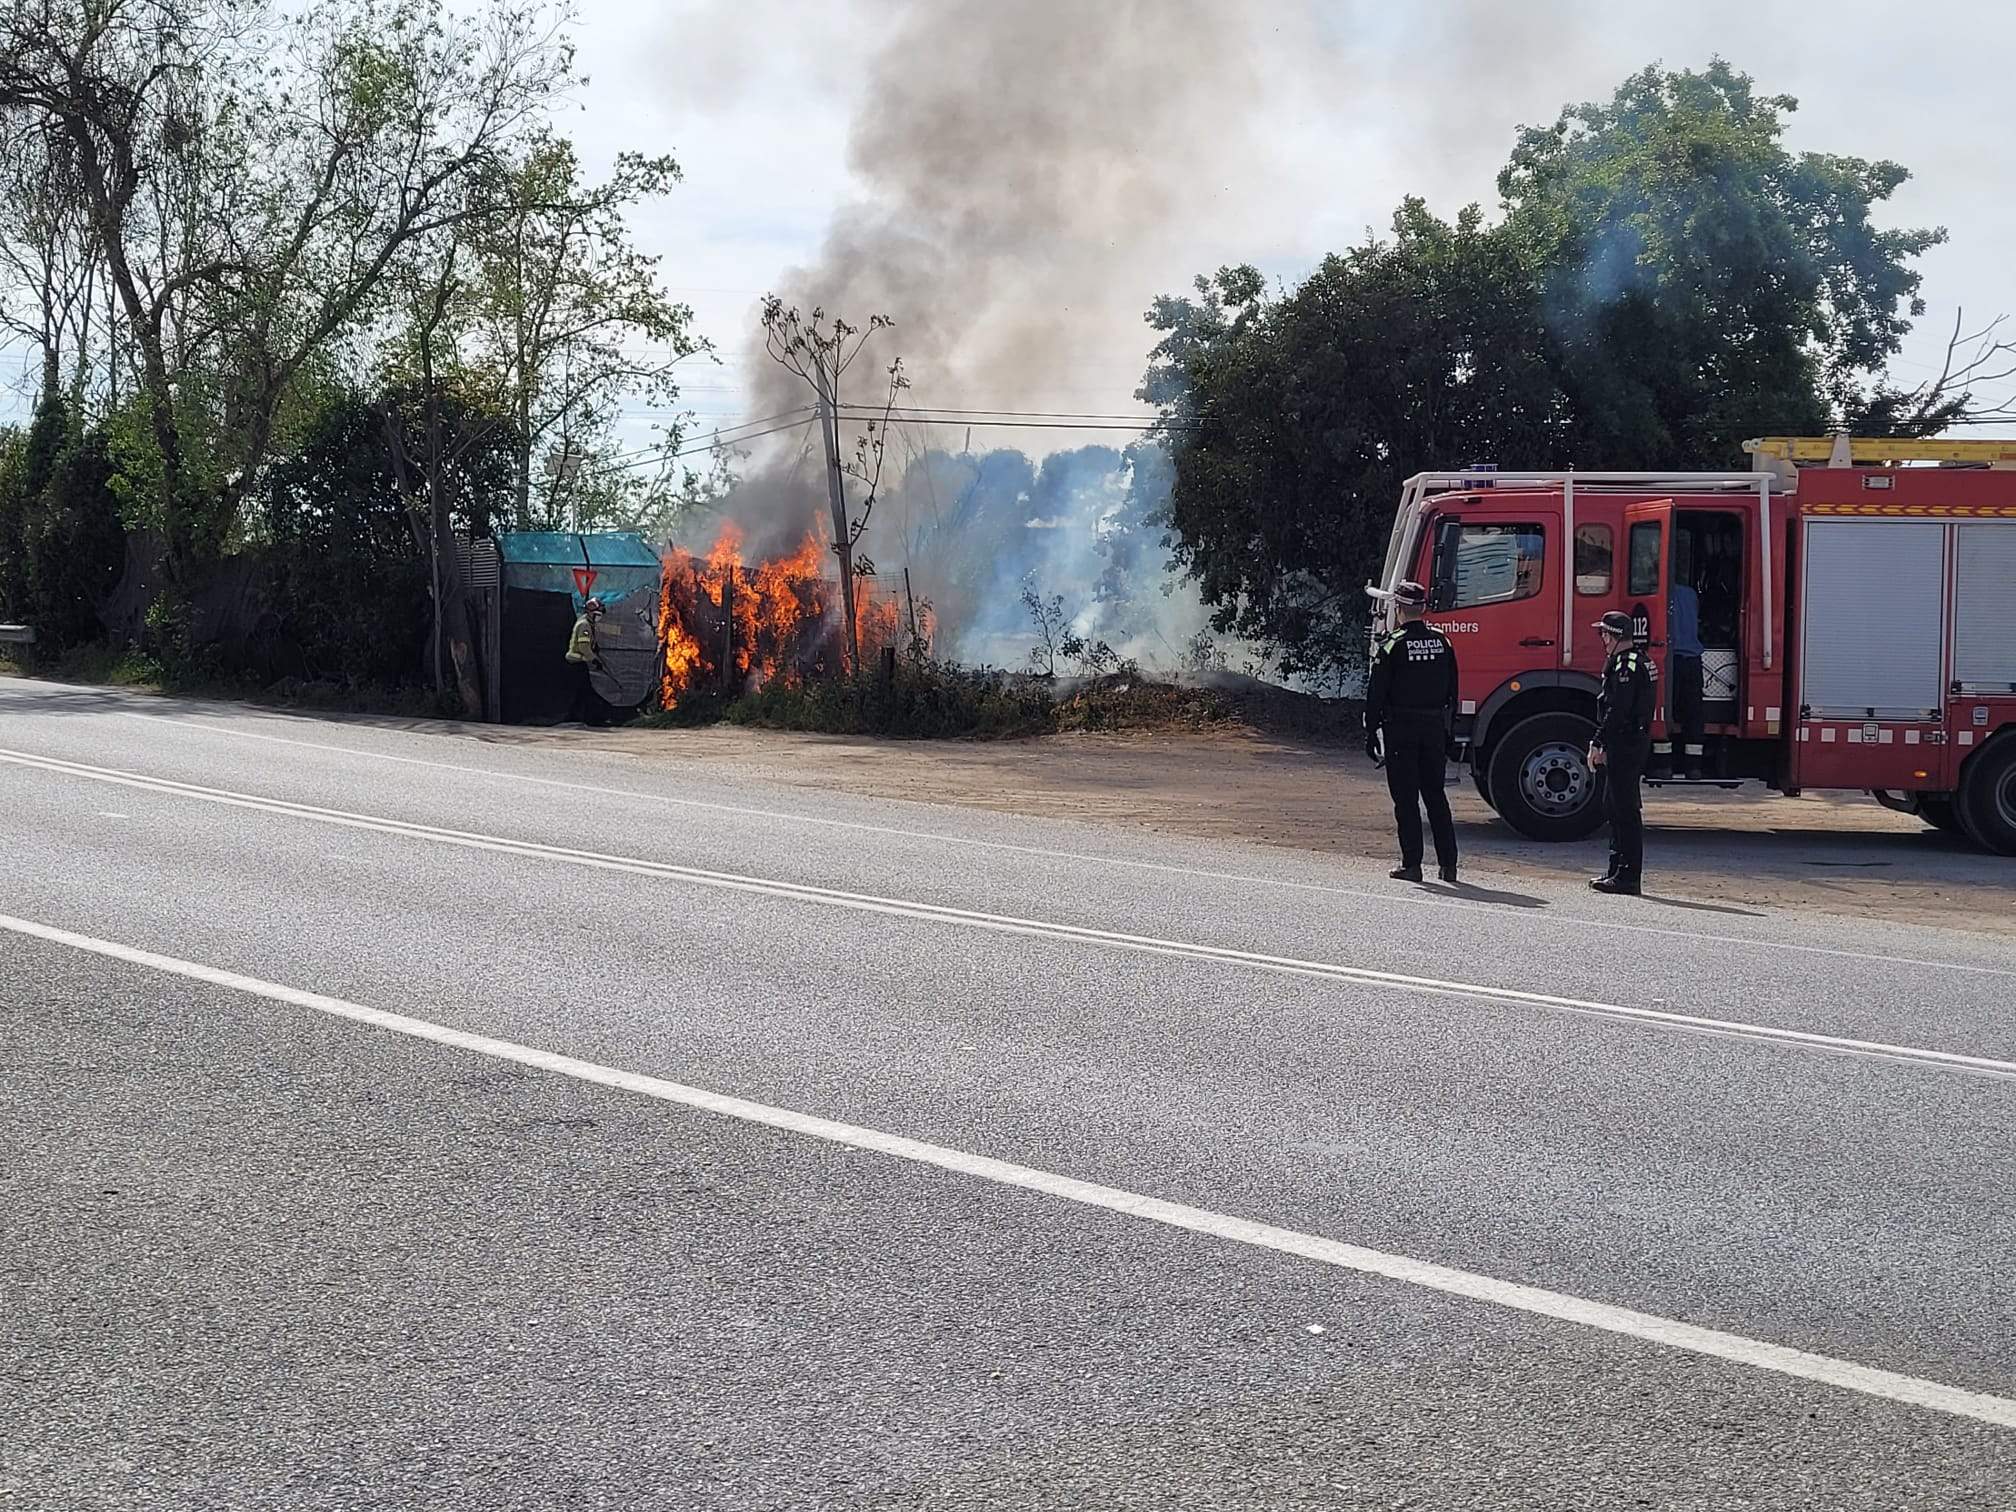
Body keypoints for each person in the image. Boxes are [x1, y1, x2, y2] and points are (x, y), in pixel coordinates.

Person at [1365, 580, 1459, 883]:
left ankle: (1412, 864)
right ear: (1423, 608)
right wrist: (1448, 727)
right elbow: (1453, 689)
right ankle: (1449, 865)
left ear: (1400, 609)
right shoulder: (1443, 642)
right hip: (1433, 727)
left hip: (1402, 729)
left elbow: (1376, 693)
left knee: (1405, 799)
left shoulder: (1393, 644)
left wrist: (1371, 730)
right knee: (1435, 795)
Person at [1589, 609, 1657, 895]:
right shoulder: (1636, 660)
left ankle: (1628, 876)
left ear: (1615, 636)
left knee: (1625, 809)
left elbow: (1618, 711)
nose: (1602, 639)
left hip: (1625, 743)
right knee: (1613, 806)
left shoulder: (1625, 666)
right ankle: (1616, 869)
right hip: (1628, 741)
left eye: (1604, 633)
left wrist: (1598, 741)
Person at [1666, 571, 1705, 779]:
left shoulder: (1660, 594)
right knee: (1694, 714)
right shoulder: (1690, 594)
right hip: (1693, 661)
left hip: (1671, 661)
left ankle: (1662, 766)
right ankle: (1694, 767)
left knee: (1666, 712)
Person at [564, 595, 608, 726]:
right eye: (597, 614)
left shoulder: (587, 623)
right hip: (576, 663)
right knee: (585, 691)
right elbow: (584, 647)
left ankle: (575, 716)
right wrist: (594, 660)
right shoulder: (584, 625)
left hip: (578, 663)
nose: (599, 617)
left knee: (581, 692)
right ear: (591, 612)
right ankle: (589, 718)